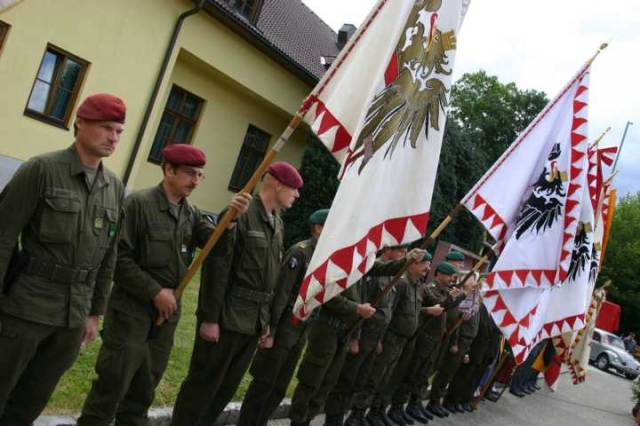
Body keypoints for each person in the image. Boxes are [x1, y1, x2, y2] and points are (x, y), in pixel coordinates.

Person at [76, 144, 252, 426]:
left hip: (166, 316)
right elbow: (117, 259)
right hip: (132, 310)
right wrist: (155, 292)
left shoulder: (191, 213)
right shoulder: (138, 205)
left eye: (199, 175)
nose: (195, 181)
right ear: (168, 170)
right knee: (113, 383)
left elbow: (214, 245)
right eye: (189, 173)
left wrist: (230, 220)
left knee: (145, 386)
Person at [0, 93, 127, 425]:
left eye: (118, 131)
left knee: (33, 398)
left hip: (74, 315)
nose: (113, 137)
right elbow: (2, 237)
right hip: (27, 306)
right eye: (106, 128)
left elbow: (108, 255)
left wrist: (95, 312)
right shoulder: (41, 170)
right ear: (81, 124)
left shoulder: (114, 186)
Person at [170, 161, 303, 426]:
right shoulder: (239, 214)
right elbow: (217, 267)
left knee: (225, 389)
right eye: (294, 188)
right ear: (276, 183)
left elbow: (269, 278)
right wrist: (210, 317)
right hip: (228, 316)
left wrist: (265, 321)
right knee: (204, 384)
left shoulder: (277, 223)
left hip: (252, 321)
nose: (297, 195)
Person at [288, 247, 427, 426]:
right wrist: (356, 309)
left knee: (327, 383)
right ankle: (298, 421)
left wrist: (407, 259)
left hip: (346, 332)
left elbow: (383, 269)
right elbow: (324, 296)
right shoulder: (339, 263)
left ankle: (308, 418)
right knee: (312, 380)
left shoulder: (361, 267)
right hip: (327, 329)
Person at [236, 208, 329, 426]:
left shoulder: (322, 256)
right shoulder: (300, 252)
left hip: (300, 330)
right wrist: (272, 329)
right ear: (318, 228)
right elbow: (281, 292)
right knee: (264, 383)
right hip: (285, 324)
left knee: (280, 385)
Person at [324, 245, 410, 424]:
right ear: (387, 250)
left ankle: (346, 415)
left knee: (360, 380)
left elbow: (387, 310)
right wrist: (355, 337)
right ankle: (333, 417)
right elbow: (362, 303)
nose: (403, 254)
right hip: (363, 335)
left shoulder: (389, 274)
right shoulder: (372, 270)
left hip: (374, 337)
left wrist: (379, 339)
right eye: (401, 251)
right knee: (346, 378)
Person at [359, 253, 441, 426]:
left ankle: (378, 410)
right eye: (424, 264)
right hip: (390, 338)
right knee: (375, 378)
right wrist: (380, 338)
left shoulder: (418, 286)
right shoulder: (402, 283)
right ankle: (359, 414)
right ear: (412, 265)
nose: (428, 268)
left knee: (389, 377)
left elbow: (416, 311)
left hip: (403, 342)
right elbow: (391, 311)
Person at [385, 261, 462, 424]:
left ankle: (412, 405)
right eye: (449, 275)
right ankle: (396, 407)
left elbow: (446, 307)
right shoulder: (430, 289)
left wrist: (457, 296)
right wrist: (457, 295)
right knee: (410, 374)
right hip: (422, 340)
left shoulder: (440, 290)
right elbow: (439, 305)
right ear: (439, 274)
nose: (451, 279)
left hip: (433, 341)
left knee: (421, 376)